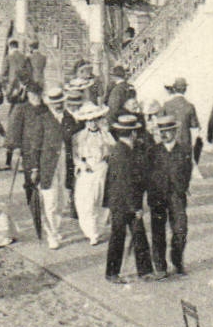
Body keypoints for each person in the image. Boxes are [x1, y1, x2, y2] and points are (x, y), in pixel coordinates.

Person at [103, 112, 154, 284]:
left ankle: (144, 271)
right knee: (120, 235)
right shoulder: (123, 153)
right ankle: (113, 273)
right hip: (124, 202)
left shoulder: (123, 149)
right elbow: (127, 184)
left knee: (136, 235)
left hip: (120, 201)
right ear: (132, 133)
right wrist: (136, 208)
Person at [145, 111, 194, 276]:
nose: (164, 134)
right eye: (161, 131)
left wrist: (182, 187)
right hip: (158, 196)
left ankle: (177, 261)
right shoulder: (153, 151)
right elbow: (147, 173)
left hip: (176, 196)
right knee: (158, 232)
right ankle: (160, 267)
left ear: (175, 132)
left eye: (168, 131)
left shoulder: (184, 151)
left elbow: (188, 171)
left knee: (180, 230)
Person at [22, 83, 70, 250]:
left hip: (64, 163)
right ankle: (51, 234)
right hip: (47, 165)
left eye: (61, 102)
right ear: (49, 104)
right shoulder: (42, 119)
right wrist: (35, 168)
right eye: (56, 103)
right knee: (50, 201)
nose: (59, 105)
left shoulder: (68, 117)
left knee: (62, 200)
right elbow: (34, 146)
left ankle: (55, 229)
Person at [71, 102, 114, 247]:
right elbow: (75, 155)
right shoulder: (79, 137)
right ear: (85, 121)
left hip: (102, 168)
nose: (93, 123)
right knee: (85, 201)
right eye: (90, 120)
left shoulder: (105, 135)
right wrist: (82, 164)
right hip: (87, 170)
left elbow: (112, 150)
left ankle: (98, 230)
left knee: (100, 200)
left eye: (95, 119)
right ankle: (90, 231)